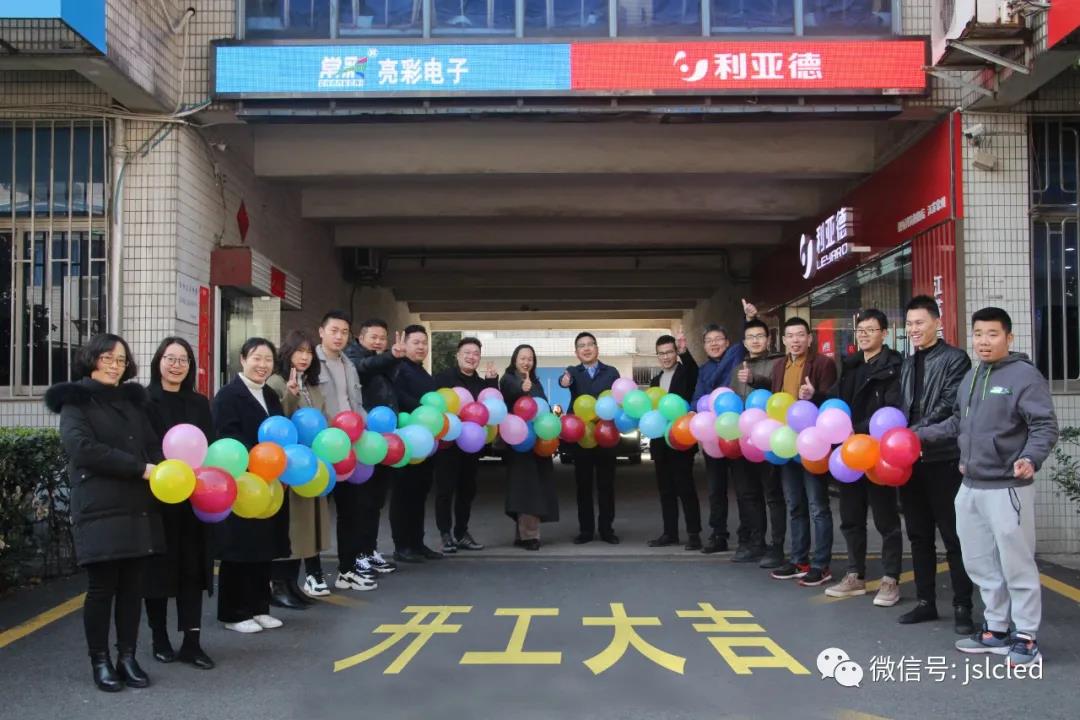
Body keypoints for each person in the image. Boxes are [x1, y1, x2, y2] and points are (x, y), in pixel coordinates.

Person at [918, 307, 1058, 666]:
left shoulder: (1024, 376)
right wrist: (919, 435)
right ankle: (996, 629)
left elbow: (1044, 426)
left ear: (1008, 338)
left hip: (1008, 487)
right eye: (978, 334)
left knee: (1017, 563)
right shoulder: (973, 375)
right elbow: (957, 423)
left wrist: (1031, 457)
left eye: (992, 334)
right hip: (970, 485)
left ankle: (1026, 636)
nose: (984, 341)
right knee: (979, 561)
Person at [45, 333, 165, 692]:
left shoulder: (132, 401)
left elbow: (152, 445)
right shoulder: (76, 401)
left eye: (121, 360)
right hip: (99, 506)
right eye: (108, 358)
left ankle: (127, 657)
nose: (115, 366)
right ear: (92, 359)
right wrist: (140, 468)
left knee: (132, 587)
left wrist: (163, 467)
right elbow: (81, 448)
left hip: (138, 505)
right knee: (102, 587)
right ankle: (100, 661)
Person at [802, 309, 904, 606]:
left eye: (871, 330)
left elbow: (892, 411)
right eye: (860, 330)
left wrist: (856, 431)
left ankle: (891, 579)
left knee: (886, 519)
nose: (864, 335)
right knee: (850, 517)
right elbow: (836, 402)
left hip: (877, 454)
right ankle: (854, 575)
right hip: (848, 453)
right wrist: (815, 396)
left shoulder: (894, 367)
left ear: (884, 333)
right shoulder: (851, 365)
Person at [897, 295, 975, 634]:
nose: (914, 329)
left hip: (942, 457)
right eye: (909, 324)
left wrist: (913, 434)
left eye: (920, 323)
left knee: (953, 536)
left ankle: (962, 606)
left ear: (937, 323)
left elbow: (948, 406)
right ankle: (925, 602)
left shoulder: (955, 359)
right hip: (909, 460)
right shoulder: (907, 363)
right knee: (918, 535)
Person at [143, 337, 216, 670]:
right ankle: (159, 638)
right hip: (158, 497)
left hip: (195, 500)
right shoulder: (143, 401)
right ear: (159, 361)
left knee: (192, 570)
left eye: (183, 360)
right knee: (157, 571)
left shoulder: (199, 403)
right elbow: (144, 447)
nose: (176, 365)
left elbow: (210, 445)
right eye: (170, 358)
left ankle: (192, 642)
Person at [211, 337, 290, 634]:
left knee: (263, 546)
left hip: (268, 483)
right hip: (242, 482)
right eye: (256, 358)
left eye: (268, 360)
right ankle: (233, 612)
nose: (262, 365)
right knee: (239, 548)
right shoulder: (228, 396)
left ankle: (259, 607)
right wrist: (256, 461)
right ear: (243, 359)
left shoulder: (269, 394)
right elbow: (226, 435)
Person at [768, 316, 838, 586]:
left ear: (809, 338)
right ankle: (799, 560)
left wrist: (814, 395)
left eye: (800, 335)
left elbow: (833, 401)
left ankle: (821, 565)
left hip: (812, 444)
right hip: (786, 443)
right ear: (783, 340)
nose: (795, 340)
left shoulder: (823, 364)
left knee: (817, 506)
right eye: (790, 336)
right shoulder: (778, 366)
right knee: (795, 504)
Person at [266, 330, 333, 603]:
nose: (304, 357)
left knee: (305, 529)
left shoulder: (312, 384)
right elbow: (276, 423)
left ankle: (292, 584)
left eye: (308, 352)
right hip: (287, 467)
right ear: (287, 353)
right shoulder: (276, 382)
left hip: (310, 465)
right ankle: (279, 585)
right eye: (299, 351)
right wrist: (291, 396)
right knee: (290, 528)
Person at [316, 310, 376, 592]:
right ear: (321, 332)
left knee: (351, 511)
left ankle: (347, 570)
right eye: (334, 331)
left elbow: (355, 402)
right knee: (315, 513)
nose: (339, 336)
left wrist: (364, 427)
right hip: (323, 446)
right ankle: (313, 573)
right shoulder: (310, 363)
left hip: (350, 448)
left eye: (343, 332)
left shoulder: (348, 364)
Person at [344, 318, 406, 576]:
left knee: (376, 500)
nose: (379, 342)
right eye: (374, 337)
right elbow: (365, 367)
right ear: (361, 338)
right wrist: (391, 356)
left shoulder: (382, 360)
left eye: (382, 338)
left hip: (383, 442)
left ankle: (369, 550)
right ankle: (358, 554)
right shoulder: (352, 358)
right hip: (364, 442)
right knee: (362, 502)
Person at [432, 337, 499, 554]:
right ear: (458, 355)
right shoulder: (443, 379)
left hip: (470, 446)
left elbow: (491, 409)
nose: (471, 357)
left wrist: (492, 383)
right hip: (447, 444)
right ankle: (445, 534)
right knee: (445, 490)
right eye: (467, 353)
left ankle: (462, 533)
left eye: (476, 354)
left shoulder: (482, 384)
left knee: (467, 491)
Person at [730, 318, 785, 567]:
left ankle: (777, 546)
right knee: (747, 494)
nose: (755, 341)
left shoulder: (778, 364)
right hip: (743, 441)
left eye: (760, 336)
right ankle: (756, 543)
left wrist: (754, 379)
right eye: (750, 337)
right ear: (744, 343)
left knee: (773, 494)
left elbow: (779, 392)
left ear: (768, 339)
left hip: (769, 438)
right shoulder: (737, 369)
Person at [691, 316, 748, 554]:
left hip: (736, 433)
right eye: (709, 341)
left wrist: (749, 319)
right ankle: (718, 535)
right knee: (716, 489)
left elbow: (745, 340)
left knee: (744, 489)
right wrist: (694, 410)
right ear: (704, 346)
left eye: (718, 339)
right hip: (713, 438)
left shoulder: (737, 358)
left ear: (727, 342)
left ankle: (747, 535)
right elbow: (697, 399)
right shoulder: (703, 371)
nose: (714, 344)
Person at [560, 331, 621, 544]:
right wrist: (564, 381)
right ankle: (586, 531)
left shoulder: (611, 372)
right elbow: (563, 381)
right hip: (582, 436)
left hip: (606, 434)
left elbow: (619, 397)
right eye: (581, 346)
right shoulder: (572, 372)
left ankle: (607, 530)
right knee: (583, 486)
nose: (586, 348)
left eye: (590, 344)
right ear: (576, 352)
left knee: (606, 485)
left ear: (597, 348)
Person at [390, 324, 443, 561]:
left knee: (420, 494)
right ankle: (402, 546)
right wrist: (423, 410)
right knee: (403, 494)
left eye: (424, 343)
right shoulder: (397, 369)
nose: (421, 347)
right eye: (416, 342)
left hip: (426, 444)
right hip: (405, 443)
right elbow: (398, 397)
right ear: (404, 344)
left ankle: (417, 543)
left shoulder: (423, 373)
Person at [647, 332, 702, 550]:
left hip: (681, 440)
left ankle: (694, 534)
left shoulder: (685, 372)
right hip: (660, 443)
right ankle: (669, 533)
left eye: (669, 352)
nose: (666, 357)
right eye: (661, 353)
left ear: (676, 353)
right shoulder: (655, 381)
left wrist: (685, 352)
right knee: (666, 490)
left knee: (685, 488)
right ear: (657, 356)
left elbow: (694, 370)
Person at [501, 344, 559, 550]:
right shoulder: (508, 378)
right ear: (514, 360)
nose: (526, 362)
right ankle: (530, 536)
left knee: (534, 487)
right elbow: (509, 392)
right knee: (526, 488)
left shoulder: (536, 381)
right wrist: (521, 389)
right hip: (520, 441)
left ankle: (522, 534)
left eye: (530, 359)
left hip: (538, 443)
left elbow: (543, 407)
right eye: (522, 358)